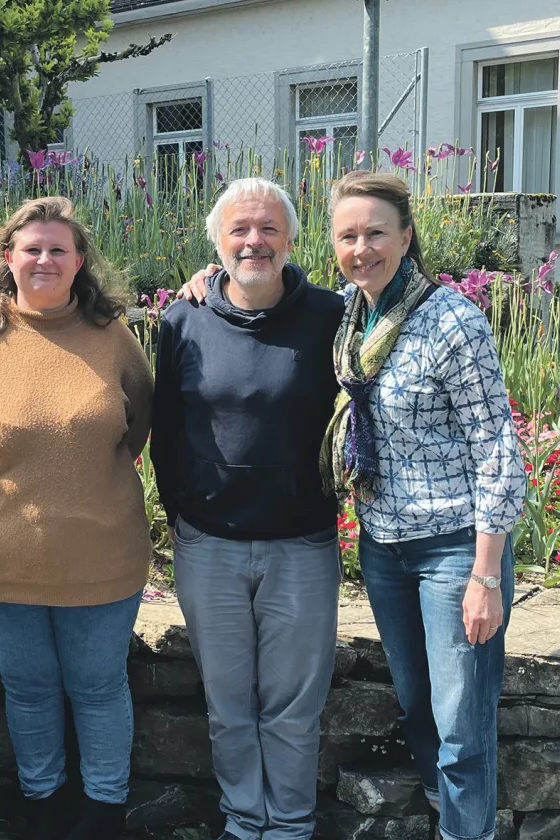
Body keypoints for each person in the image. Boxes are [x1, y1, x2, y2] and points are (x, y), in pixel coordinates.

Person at [0, 196, 154, 840]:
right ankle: (41, 801)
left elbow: (139, 426)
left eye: (58, 249)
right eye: (32, 249)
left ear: (80, 260)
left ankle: (105, 809)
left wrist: (80, 480)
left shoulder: (114, 339)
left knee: (98, 686)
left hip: (101, 556)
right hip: (1, 560)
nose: (45, 259)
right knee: (27, 690)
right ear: (8, 259)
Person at [323, 171, 525, 840]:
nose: (362, 248)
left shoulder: (451, 319)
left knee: (462, 723)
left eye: (376, 233)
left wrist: (486, 576)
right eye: (348, 236)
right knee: (418, 709)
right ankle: (447, 819)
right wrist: (205, 281)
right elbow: (264, 291)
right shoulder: (351, 314)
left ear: (405, 237)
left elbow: (496, 444)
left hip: (454, 549)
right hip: (383, 546)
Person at [149, 177, 345, 840]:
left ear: (291, 239)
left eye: (267, 229)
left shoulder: (329, 317)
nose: (253, 241)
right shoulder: (183, 319)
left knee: (293, 709)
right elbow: (165, 431)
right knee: (229, 706)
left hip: (303, 546)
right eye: (239, 229)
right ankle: (242, 822)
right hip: (210, 546)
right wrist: (183, 517)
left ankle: (288, 828)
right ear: (218, 242)